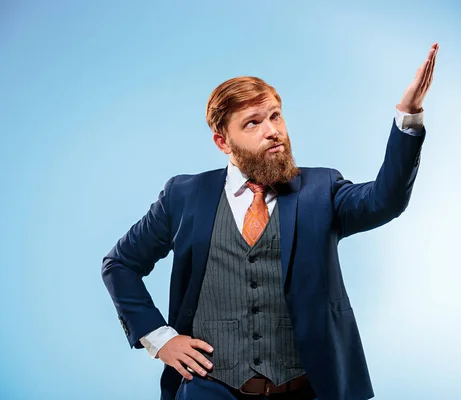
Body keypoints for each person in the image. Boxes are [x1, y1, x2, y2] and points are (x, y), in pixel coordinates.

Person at [102, 43, 439, 400]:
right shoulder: (184, 195)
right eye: (253, 123)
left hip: (304, 389)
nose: (272, 130)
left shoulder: (322, 189)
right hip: (210, 389)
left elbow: (384, 201)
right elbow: (120, 264)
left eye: (275, 116)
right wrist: (158, 338)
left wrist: (409, 114)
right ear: (223, 141)